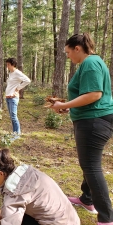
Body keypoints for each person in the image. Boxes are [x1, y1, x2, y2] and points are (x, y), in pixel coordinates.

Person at [51, 33, 113, 225]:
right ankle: (87, 199)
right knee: (88, 164)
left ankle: (107, 219)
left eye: (68, 52)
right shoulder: (92, 62)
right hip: (92, 119)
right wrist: (68, 105)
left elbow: (95, 94)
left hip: (94, 121)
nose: (68, 56)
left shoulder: (90, 63)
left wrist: (62, 105)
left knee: (92, 168)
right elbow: (87, 95)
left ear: (77, 48)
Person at [0, 149, 81, 225]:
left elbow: (11, 220)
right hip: (71, 219)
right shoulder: (28, 173)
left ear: (1, 174)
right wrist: (0, 214)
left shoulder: (14, 192)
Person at [5, 58, 31, 140]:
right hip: (8, 97)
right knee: (11, 116)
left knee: (13, 116)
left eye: (8, 64)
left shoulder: (17, 72)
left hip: (13, 98)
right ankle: (14, 132)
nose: (7, 66)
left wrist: (18, 88)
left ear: (13, 64)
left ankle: (17, 134)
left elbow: (27, 80)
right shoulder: (11, 73)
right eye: (7, 64)